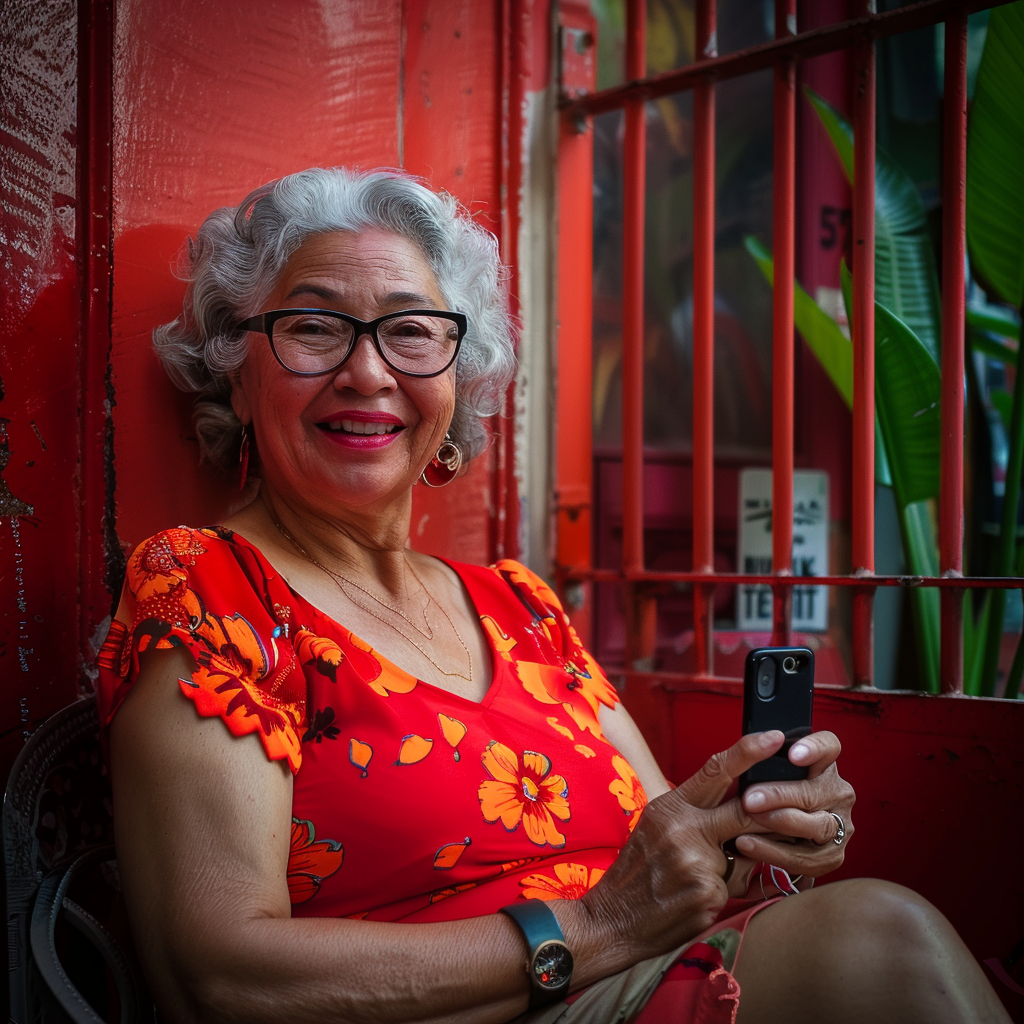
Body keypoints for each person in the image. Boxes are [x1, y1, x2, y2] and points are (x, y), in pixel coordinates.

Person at [96, 167, 1009, 1024]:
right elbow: (212, 975)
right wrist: (598, 931)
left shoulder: (520, 606)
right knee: (882, 938)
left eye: (412, 330)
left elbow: (676, 869)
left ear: (455, 383)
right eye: (314, 327)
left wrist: (761, 837)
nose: (368, 371)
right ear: (237, 376)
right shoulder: (209, 590)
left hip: (658, 970)